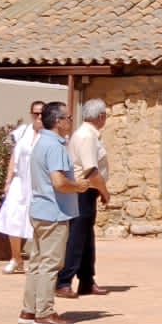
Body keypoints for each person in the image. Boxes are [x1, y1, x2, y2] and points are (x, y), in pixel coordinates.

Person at [19, 101, 102, 324]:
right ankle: (44, 312)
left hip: (39, 210)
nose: (70, 122)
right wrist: (79, 185)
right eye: (67, 118)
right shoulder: (55, 145)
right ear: (58, 121)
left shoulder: (40, 142)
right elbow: (59, 182)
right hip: (54, 212)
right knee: (50, 263)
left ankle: (29, 309)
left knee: (36, 262)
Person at [56, 98, 110, 298]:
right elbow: (91, 170)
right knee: (77, 237)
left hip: (86, 191)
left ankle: (87, 280)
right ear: (101, 116)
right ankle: (64, 281)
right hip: (82, 191)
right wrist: (105, 192)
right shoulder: (87, 136)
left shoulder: (87, 134)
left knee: (86, 237)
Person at [0, 100, 45, 273]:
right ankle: (16, 258)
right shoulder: (22, 132)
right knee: (13, 216)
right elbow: (14, 157)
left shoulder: (50, 134)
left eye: (42, 113)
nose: (38, 117)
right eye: (35, 113)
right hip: (20, 181)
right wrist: (8, 181)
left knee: (37, 221)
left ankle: (37, 259)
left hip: (38, 183)